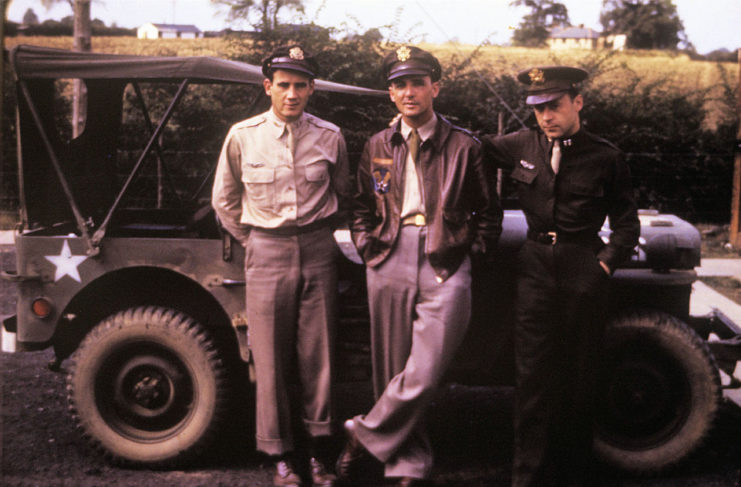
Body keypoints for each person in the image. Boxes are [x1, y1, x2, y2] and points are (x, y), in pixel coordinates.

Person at [336, 45, 502, 487]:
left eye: (417, 83)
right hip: (389, 253)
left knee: (426, 370)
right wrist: (369, 249)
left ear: (436, 88)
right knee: (391, 368)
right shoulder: (377, 145)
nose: (408, 92)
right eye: (399, 85)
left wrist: (468, 253)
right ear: (390, 93)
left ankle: (364, 433)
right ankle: (407, 464)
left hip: (444, 259)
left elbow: (489, 212)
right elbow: (359, 206)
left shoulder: (464, 146)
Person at [483, 66, 640, 487]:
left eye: (554, 106)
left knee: (579, 380)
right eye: (538, 109)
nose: (546, 117)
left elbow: (627, 224)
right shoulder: (520, 143)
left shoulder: (606, 157)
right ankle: (527, 478)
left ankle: (574, 475)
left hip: (581, 268)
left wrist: (603, 265)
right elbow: (469, 150)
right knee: (531, 379)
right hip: (534, 267)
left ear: (578, 103)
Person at [212, 44, 351, 487]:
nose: (292, 94)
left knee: (319, 356)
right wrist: (253, 239)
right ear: (268, 87)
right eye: (284, 85)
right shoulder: (243, 136)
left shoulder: (330, 136)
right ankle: (280, 456)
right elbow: (225, 200)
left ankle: (319, 454)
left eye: (301, 86)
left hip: (316, 249)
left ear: (312, 89)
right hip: (266, 251)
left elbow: (342, 192)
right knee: (269, 357)